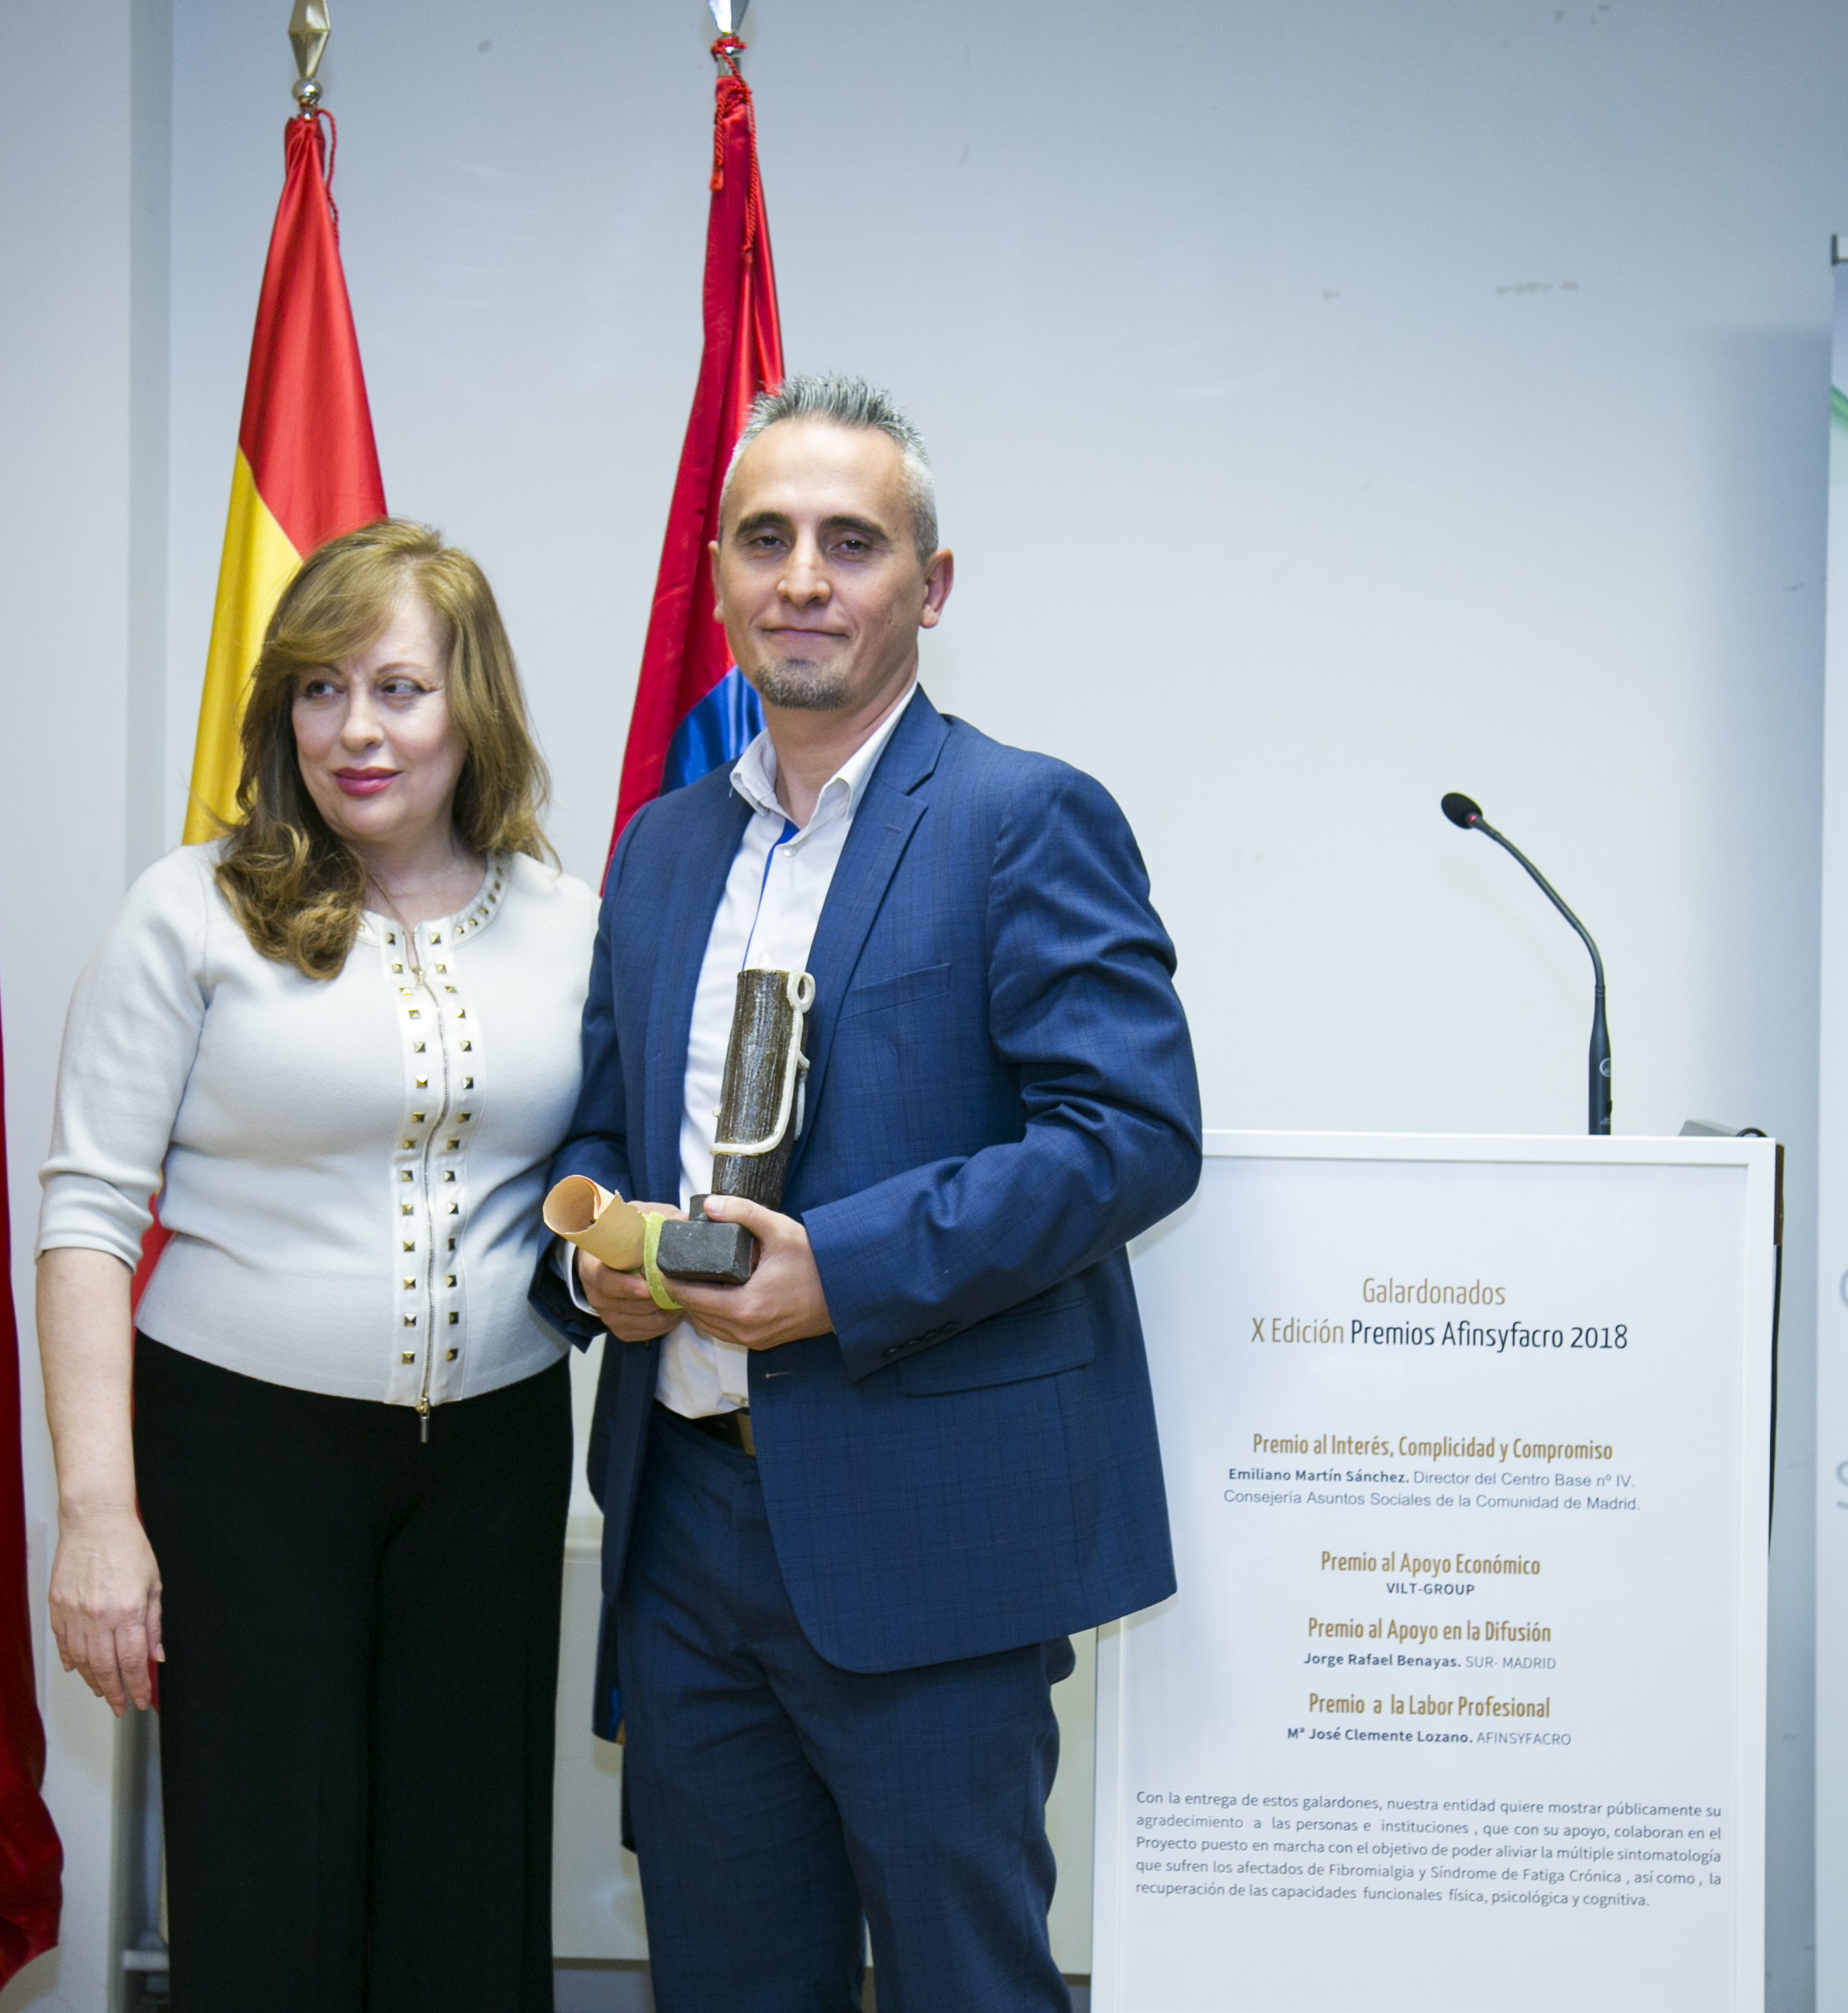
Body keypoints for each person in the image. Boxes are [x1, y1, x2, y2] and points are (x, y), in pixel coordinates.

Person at [531, 375, 1202, 2013]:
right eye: (766, 539)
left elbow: (1132, 1131)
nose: (804, 579)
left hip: (933, 1532)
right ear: (718, 575)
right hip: (686, 1530)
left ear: (931, 584)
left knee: (968, 1985)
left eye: (851, 542)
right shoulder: (661, 850)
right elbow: (605, 1127)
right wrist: (596, 1258)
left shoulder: (1019, 818)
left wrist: (840, 1271)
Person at [37, 520, 596, 2011]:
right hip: (243, 1463)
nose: (356, 730)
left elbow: (597, 1175)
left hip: (494, 1464)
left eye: (399, 689)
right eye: (320, 689)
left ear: (472, 706)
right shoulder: (190, 911)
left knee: (469, 1894)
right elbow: (87, 1215)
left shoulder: (570, 923)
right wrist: (98, 1515)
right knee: (267, 1891)